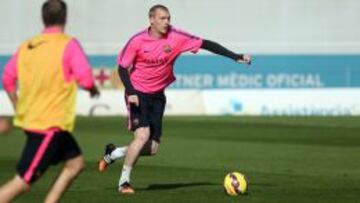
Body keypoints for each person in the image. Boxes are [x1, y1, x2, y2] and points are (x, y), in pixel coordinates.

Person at [98, 4, 251, 194]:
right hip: (137, 93)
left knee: (152, 148)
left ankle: (115, 153)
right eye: (162, 18)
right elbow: (122, 68)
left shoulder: (177, 37)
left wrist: (235, 57)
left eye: (169, 18)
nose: (167, 22)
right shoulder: (137, 41)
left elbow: (207, 44)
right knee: (142, 135)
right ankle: (123, 183)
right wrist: (131, 91)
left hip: (157, 95)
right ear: (151, 20)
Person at [0, 0, 99, 202]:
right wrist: (92, 88)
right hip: (49, 126)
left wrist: (18, 106)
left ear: (42, 18)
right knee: (23, 182)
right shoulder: (68, 44)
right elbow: (86, 78)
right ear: (65, 17)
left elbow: (8, 78)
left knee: (75, 164)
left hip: (40, 123)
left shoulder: (28, 45)